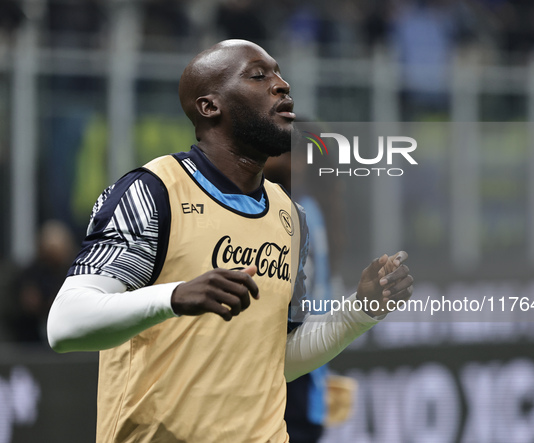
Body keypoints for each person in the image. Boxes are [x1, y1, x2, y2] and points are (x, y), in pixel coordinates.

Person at [47, 39, 414, 443]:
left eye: (279, 73)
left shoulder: (290, 217)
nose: (282, 85)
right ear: (209, 106)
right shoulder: (154, 191)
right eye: (259, 76)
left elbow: (274, 362)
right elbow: (65, 324)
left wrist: (357, 313)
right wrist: (174, 297)